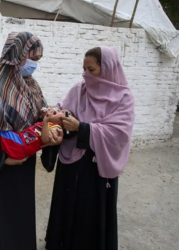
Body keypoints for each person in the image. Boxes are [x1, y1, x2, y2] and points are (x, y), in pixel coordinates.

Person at [0, 31, 63, 250]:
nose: (33, 64)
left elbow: (41, 113)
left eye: (36, 60)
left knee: (21, 218)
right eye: (31, 58)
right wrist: (1, 159)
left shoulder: (30, 84)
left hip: (23, 163)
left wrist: (50, 123)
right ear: (16, 53)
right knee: (1, 221)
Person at [41, 46, 135, 250]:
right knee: (66, 207)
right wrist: (57, 115)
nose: (86, 75)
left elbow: (119, 134)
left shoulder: (123, 98)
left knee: (88, 214)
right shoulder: (79, 89)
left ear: (108, 69)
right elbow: (65, 108)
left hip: (95, 169)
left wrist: (82, 128)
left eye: (91, 70)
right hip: (70, 164)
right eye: (84, 69)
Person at [0, 108, 67, 169]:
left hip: (21, 145)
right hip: (20, 140)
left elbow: (45, 139)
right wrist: (44, 117)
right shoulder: (49, 123)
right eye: (61, 109)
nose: (60, 110)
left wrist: (46, 121)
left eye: (65, 113)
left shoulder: (56, 129)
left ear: (64, 123)